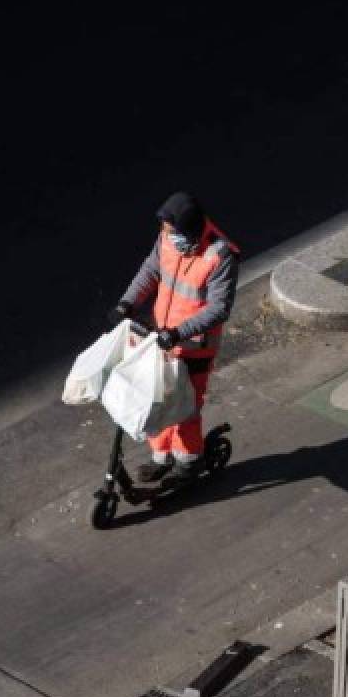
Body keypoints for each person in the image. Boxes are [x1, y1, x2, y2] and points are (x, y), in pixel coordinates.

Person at [109, 192, 240, 486]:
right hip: (161, 340)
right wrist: (127, 303)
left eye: (173, 231)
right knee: (156, 399)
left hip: (193, 346)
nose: (167, 236)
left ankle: (189, 461)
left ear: (190, 231)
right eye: (166, 231)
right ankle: (161, 458)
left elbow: (219, 309)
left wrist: (179, 333)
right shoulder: (168, 239)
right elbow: (151, 270)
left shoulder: (219, 256)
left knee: (185, 408)